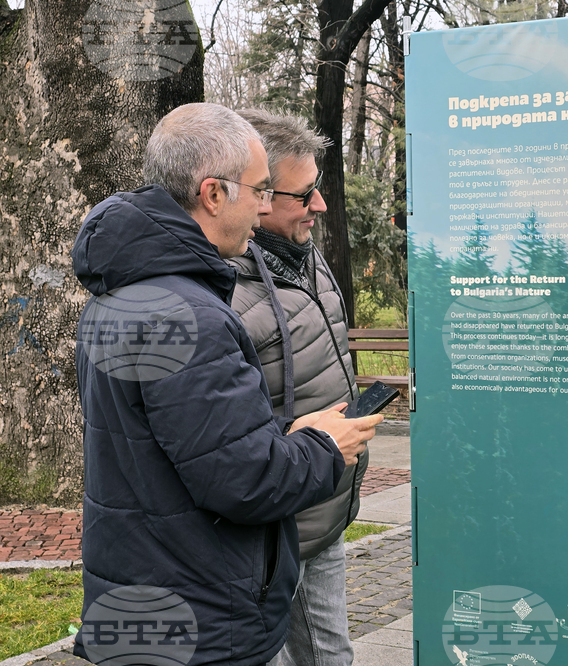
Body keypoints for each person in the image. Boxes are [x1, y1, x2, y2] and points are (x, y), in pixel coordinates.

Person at [71, 102, 381, 666]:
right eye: (261, 190)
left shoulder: (119, 296)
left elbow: (177, 444)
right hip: (203, 611)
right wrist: (323, 446)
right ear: (214, 194)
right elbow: (244, 480)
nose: (265, 207)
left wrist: (287, 431)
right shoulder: (196, 317)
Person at [228, 108, 362, 666]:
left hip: (323, 503)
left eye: (319, 189)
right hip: (268, 526)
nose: (320, 206)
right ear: (255, 194)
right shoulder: (221, 291)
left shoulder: (304, 255)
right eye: (304, 195)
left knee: (331, 653)